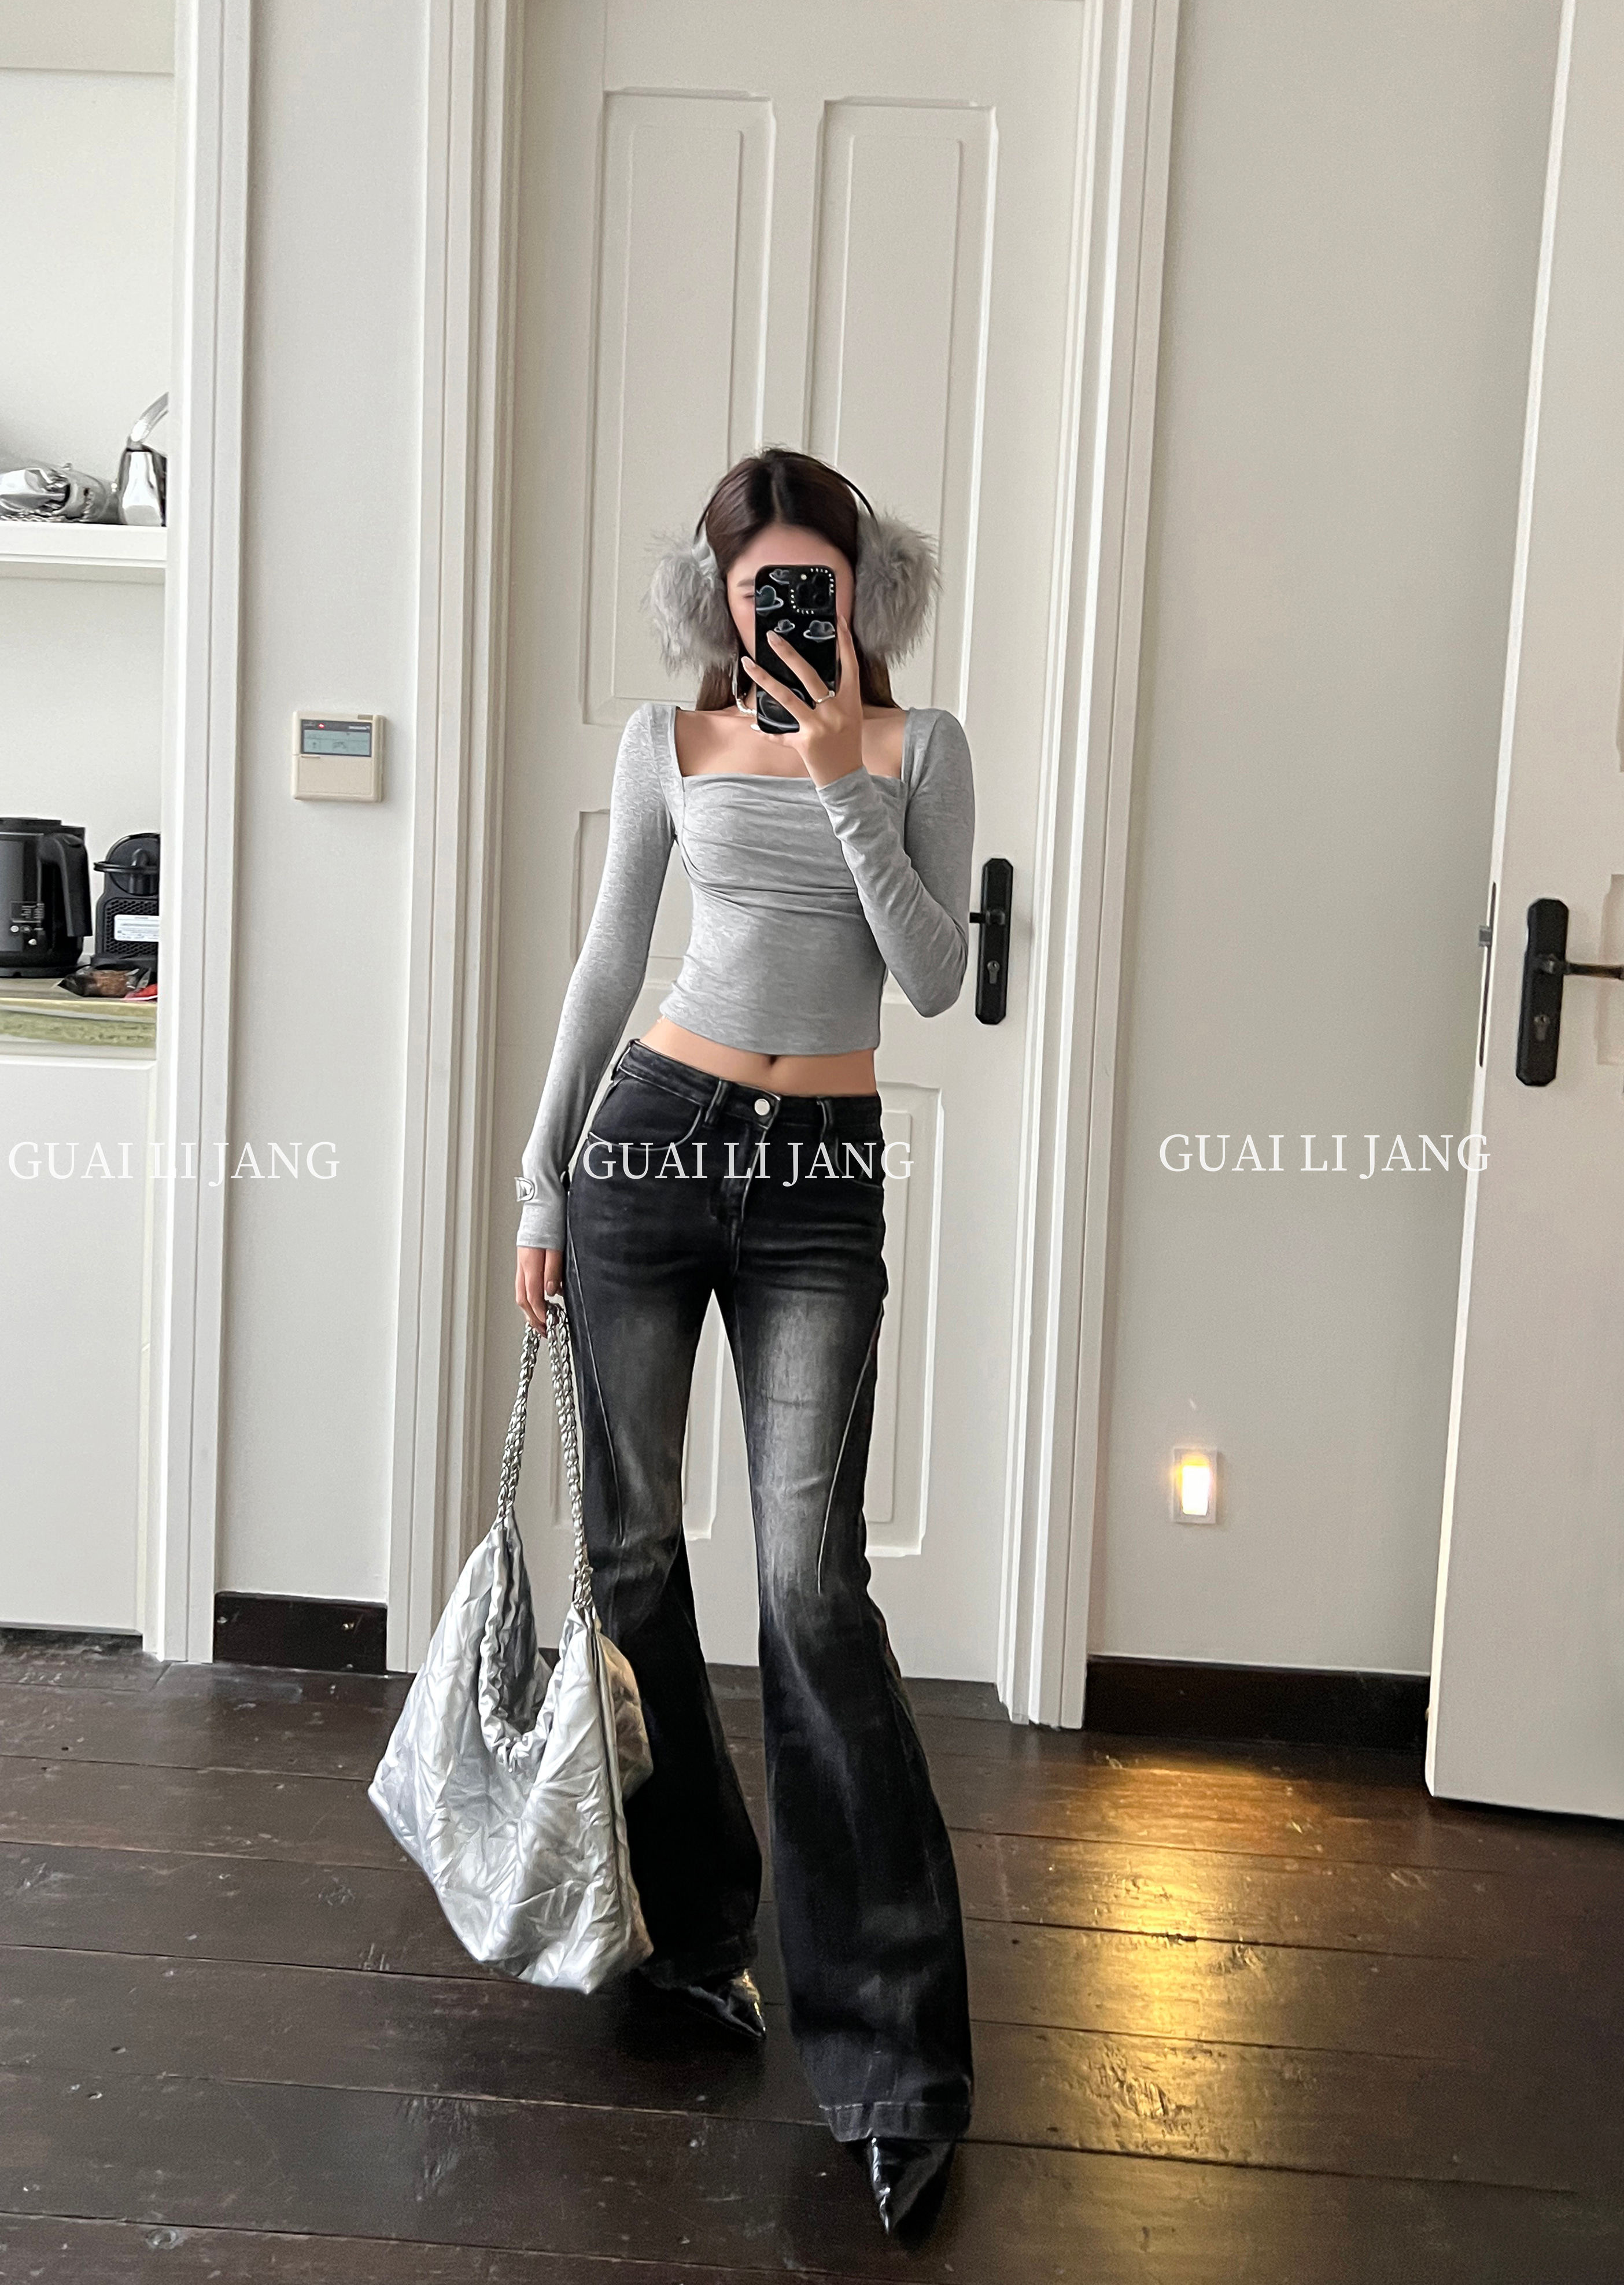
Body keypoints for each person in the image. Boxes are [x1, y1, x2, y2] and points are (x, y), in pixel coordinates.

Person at [513, 445, 976, 2241]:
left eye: (820, 588)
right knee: (631, 1555)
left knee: (809, 1587)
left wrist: (843, 767)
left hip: (818, 1181)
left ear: (865, 594)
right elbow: (606, 967)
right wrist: (542, 1185)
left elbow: (930, 976)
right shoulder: (663, 744)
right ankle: (695, 1939)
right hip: (648, 1146)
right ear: (716, 599)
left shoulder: (922, 750)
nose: (789, 613)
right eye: (761, 587)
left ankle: (895, 2068)